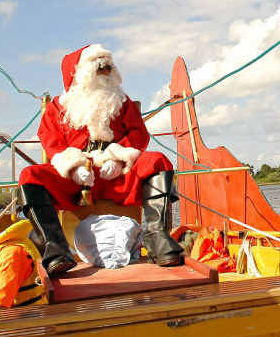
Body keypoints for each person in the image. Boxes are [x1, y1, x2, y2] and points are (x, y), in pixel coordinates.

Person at [19, 44, 184, 276]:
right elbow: (51, 142)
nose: (106, 72)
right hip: (76, 180)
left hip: (116, 175)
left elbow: (139, 134)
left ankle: (156, 237)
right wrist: (74, 167)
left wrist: (118, 157)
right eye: (100, 68)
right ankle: (55, 248)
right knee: (30, 175)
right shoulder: (57, 107)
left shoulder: (122, 101)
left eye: (109, 68)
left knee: (157, 160)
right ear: (79, 73)